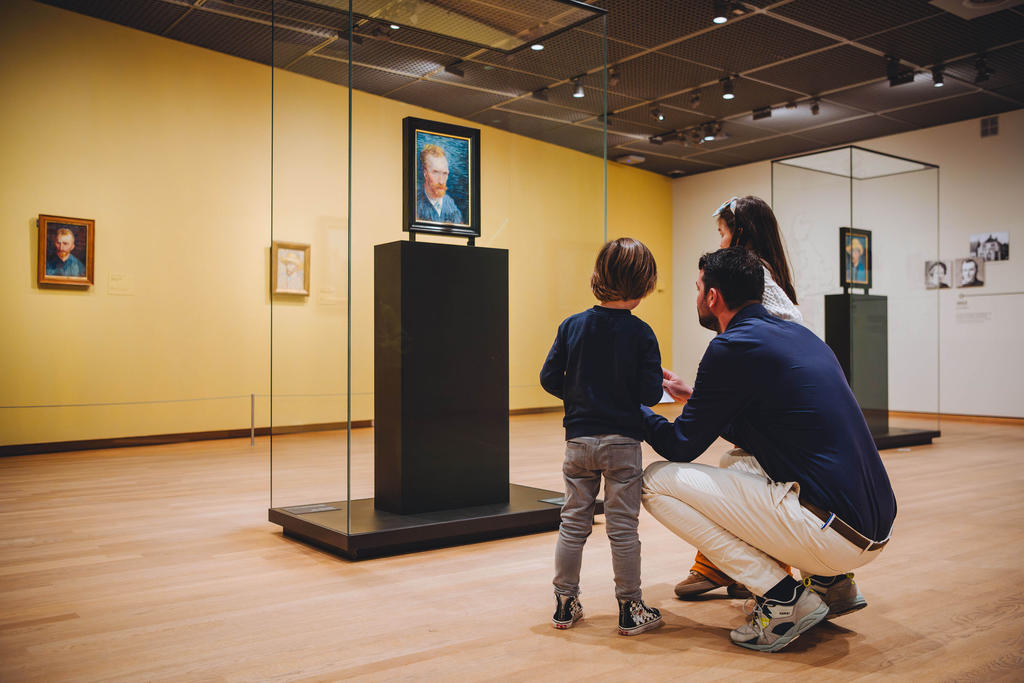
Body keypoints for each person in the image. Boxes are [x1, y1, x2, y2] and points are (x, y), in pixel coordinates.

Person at [641, 247, 896, 652]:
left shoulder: (730, 346)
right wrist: (694, 397)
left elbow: (680, 445)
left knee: (654, 481)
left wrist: (629, 408)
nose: (696, 297)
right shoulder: (797, 335)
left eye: (697, 288)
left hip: (835, 536)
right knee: (736, 460)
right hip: (873, 528)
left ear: (713, 297)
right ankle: (832, 586)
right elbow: (764, 427)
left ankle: (782, 600)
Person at [674, 195, 801, 600]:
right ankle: (724, 565)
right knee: (743, 466)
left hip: (766, 388)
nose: (721, 240)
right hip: (766, 384)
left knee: (742, 471)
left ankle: (746, 567)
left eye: (723, 232)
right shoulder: (770, 275)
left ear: (739, 232)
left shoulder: (754, 276)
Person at [540, 237, 664, 636]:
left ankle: (564, 603)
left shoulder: (571, 325)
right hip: (623, 445)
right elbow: (649, 394)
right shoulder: (643, 334)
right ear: (645, 285)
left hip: (578, 442)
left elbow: (547, 378)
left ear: (599, 276)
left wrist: (580, 397)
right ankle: (630, 607)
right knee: (623, 528)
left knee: (572, 522)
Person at [415, 144, 463, 224]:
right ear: (425, 173)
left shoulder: (451, 204)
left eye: (445, 173)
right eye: (435, 172)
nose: (441, 181)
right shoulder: (416, 204)